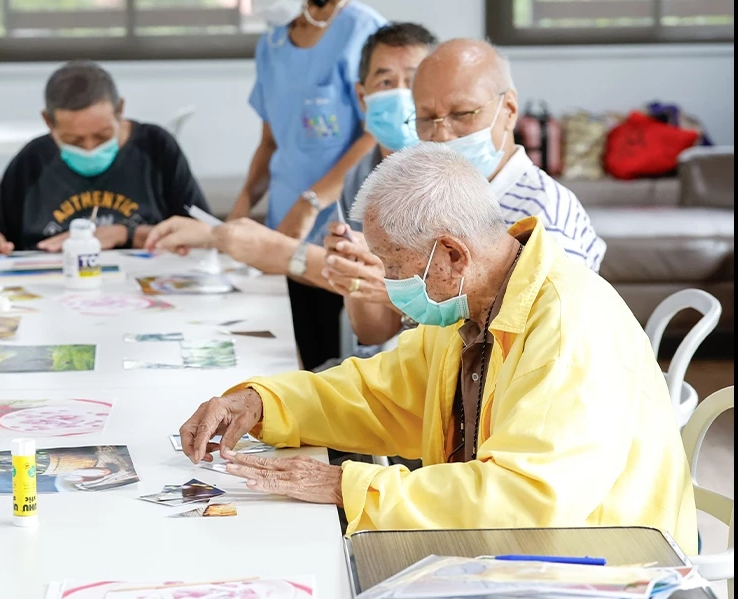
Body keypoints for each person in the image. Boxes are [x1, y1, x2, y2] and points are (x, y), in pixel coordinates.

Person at [177, 145, 695, 553]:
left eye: (393, 264)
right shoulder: (474, 302)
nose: (388, 280)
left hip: (600, 562)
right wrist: (262, 402)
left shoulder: (567, 327)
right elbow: (380, 394)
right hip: (510, 543)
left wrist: (343, 485)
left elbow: (526, 501)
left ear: (452, 254)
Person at [147, 22, 436, 367]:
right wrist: (354, 272)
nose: (401, 95)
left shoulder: (447, 175)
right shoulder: (362, 178)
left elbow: (448, 302)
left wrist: (282, 252)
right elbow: (373, 330)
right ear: (362, 97)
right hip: (388, 361)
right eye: (386, 82)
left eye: (413, 81)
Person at [321, 39, 606, 346]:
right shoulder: (433, 195)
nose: (442, 134)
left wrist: (392, 290)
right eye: (426, 118)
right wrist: (362, 272)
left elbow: (538, 342)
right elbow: (375, 333)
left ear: (509, 109)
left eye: (462, 113)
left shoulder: (545, 219)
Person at [228, 0, 386, 369]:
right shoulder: (272, 43)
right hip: (286, 227)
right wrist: (242, 206)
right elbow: (270, 141)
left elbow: (376, 134)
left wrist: (312, 201)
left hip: (344, 225)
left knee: (349, 362)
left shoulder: (362, 32)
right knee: (295, 355)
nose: (256, 0)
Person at [0, 60, 210, 258]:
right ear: (48, 122)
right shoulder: (33, 159)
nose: (90, 148)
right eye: (73, 140)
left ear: (120, 110)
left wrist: (124, 234)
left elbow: (204, 234)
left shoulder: (156, 147)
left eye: (102, 135)